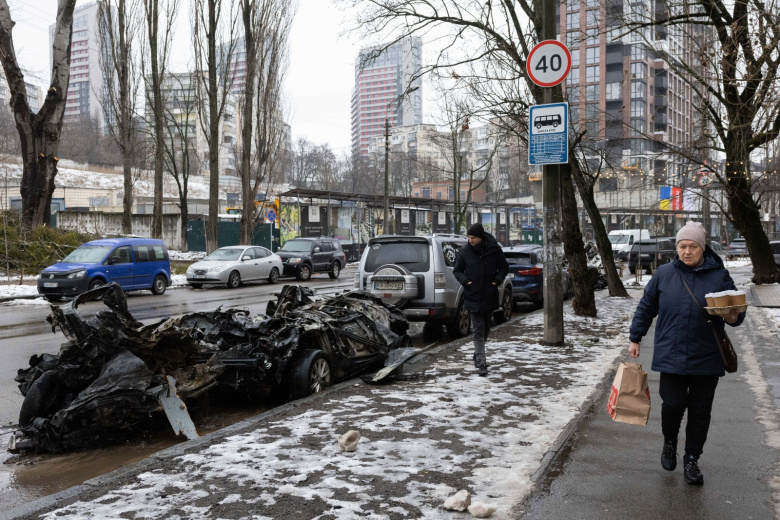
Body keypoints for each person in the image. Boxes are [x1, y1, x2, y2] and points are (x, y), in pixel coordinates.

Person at [628, 221, 744, 486]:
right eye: (682, 246)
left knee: (700, 411)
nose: (687, 251)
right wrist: (635, 337)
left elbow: (736, 312)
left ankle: (692, 459)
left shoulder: (719, 275)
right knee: (673, 405)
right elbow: (646, 306)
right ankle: (670, 442)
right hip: (672, 353)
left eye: (693, 246)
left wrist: (732, 315)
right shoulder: (664, 274)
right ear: (677, 248)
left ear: (702, 248)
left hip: (707, 354)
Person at [454, 223, 509, 377]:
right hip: (472, 294)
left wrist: (496, 281)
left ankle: (478, 353)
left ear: (481, 237)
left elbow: (504, 267)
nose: (470, 240)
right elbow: (457, 271)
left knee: (486, 327)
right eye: (468, 237)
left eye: (473, 238)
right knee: (478, 329)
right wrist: (466, 282)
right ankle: (481, 362)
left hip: (489, 294)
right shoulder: (465, 251)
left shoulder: (494, 249)